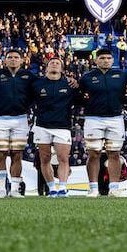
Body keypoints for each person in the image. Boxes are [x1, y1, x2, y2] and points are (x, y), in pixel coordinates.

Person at [77, 48, 127, 197]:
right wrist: (88, 104)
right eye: (102, 58)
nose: (106, 60)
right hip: (93, 119)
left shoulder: (121, 75)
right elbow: (77, 94)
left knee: (115, 154)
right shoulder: (87, 77)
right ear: (96, 60)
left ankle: (114, 188)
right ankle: (93, 189)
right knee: (94, 154)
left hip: (115, 119)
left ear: (113, 60)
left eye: (108, 58)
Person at [0, 49, 35, 198]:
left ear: (22, 60)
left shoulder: (29, 76)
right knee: (0, 154)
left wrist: (25, 105)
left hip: (21, 119)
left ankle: (14, 189)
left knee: (17, 154)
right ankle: (1, 190)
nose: (13, 59)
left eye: (16, 57)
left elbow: (35, 94)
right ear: (5, 60)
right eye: (10, 57)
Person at [30, 57, 77, 197]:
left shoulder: (69, 84)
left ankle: (62, 188)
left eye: (58, 63)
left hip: (62, 126)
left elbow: (79, 100)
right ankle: (52, 189)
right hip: (42, 126)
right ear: (46, 68)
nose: (55, 64)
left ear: (62, 69)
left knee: (63, 158)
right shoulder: (37, 84)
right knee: (44, 159)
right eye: (52, 63)